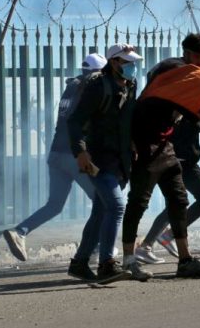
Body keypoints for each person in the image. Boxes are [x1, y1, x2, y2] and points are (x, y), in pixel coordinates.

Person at [120, 33, 200, 279]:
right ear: (187, 53)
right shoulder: (174, 68)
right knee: (138, 202)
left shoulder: (190, 75)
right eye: (199, 56)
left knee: (178, 200)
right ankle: (129, 260)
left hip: (165, 145)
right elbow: (199, 101)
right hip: (145, 142)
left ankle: (185, 260)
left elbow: (197, 111)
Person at [0, 54, 106, 261]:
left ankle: (20, 231)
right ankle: (95, 247)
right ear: (98, 72)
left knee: (55, 205)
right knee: (102, 201)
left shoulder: (71, 87)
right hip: (76, 156)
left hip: (56, 154)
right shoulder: (89, 89)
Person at [65, 44, 142, 283]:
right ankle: (107, 264)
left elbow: (129, 119)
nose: (132, 66)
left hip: (120, 159)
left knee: (101, 211)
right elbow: (75, 121)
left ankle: (80, 263)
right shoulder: (98, 86)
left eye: (133, 62)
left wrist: (133, 143)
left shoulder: (130, 85)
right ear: (114, 62)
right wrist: (80, 151)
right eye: (127, 62)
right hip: (97, 158)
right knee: (116, 207)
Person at [135, 58, 200, 264]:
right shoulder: (188, 95)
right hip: (180, 158)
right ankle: (153, 243)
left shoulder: (199, 96)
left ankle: (154, 242)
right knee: (194, 200)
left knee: (180, 203)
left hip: (185, 158)